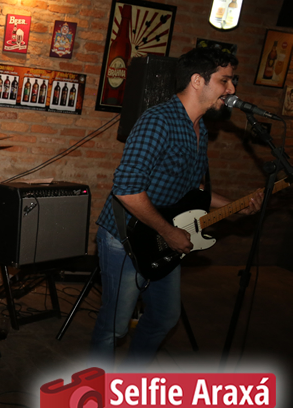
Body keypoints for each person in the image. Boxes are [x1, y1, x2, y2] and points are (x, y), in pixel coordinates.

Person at [90, 47, 263, 368]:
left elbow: (193, 191)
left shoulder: (199, 129)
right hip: (125, 239)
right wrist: (169, 232)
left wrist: (236, 207)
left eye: (232, 81)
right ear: (197, 81)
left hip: (162, 235)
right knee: (114, 328)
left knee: (164, 318)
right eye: (224, 80)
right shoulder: (159, 122)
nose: (232, 89)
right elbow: (127, 190)